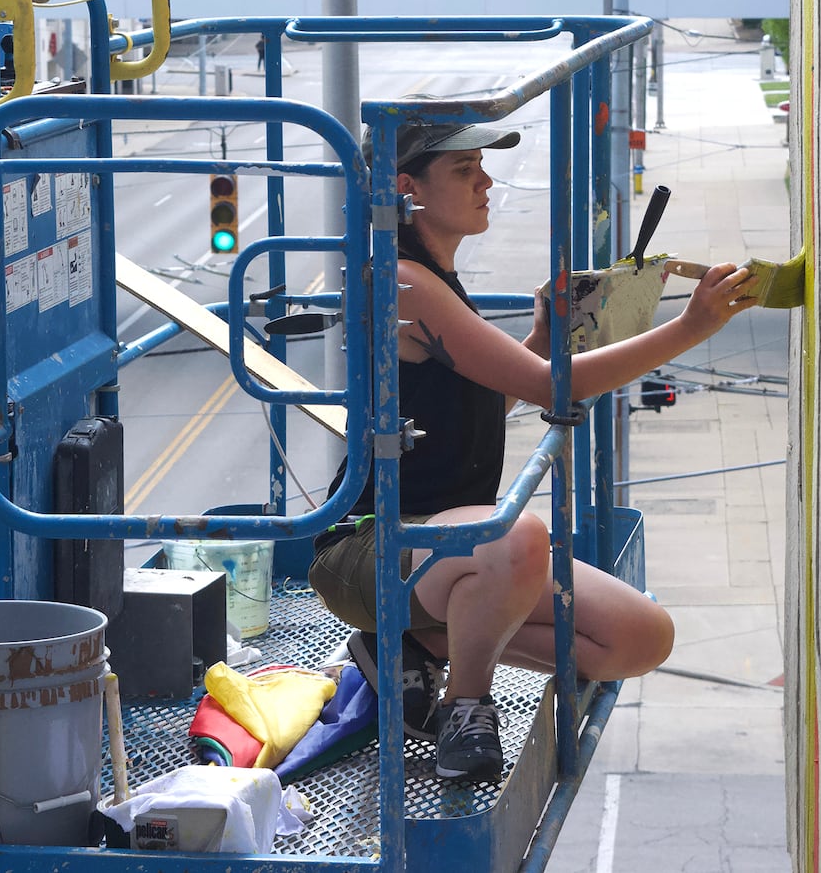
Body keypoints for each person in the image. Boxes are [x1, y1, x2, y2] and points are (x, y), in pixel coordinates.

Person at [308, 120, 756, 782]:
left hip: (453, 553)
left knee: (640, 636)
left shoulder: (433, 278)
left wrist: (546, 331)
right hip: (369, 548)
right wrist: (690, 327)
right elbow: (545, 388)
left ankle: (420, 640)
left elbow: (495, 395)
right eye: (464, 169)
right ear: (407, 189)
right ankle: (465, 705)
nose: (486, 180)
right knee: (517, 534)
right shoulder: (401, 282)